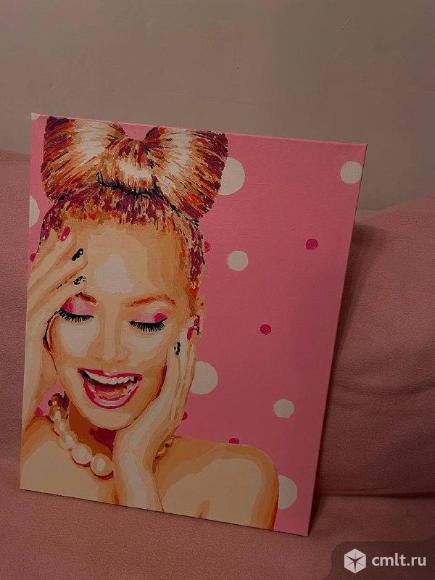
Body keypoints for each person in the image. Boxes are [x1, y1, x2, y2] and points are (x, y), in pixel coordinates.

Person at [20, 116, 278, 529]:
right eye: (77, 313)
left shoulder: (237, 478)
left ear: (190, 327)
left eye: (146, 322)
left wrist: (135, 471)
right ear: (43, 318)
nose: (108, 353)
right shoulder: (19, 446)